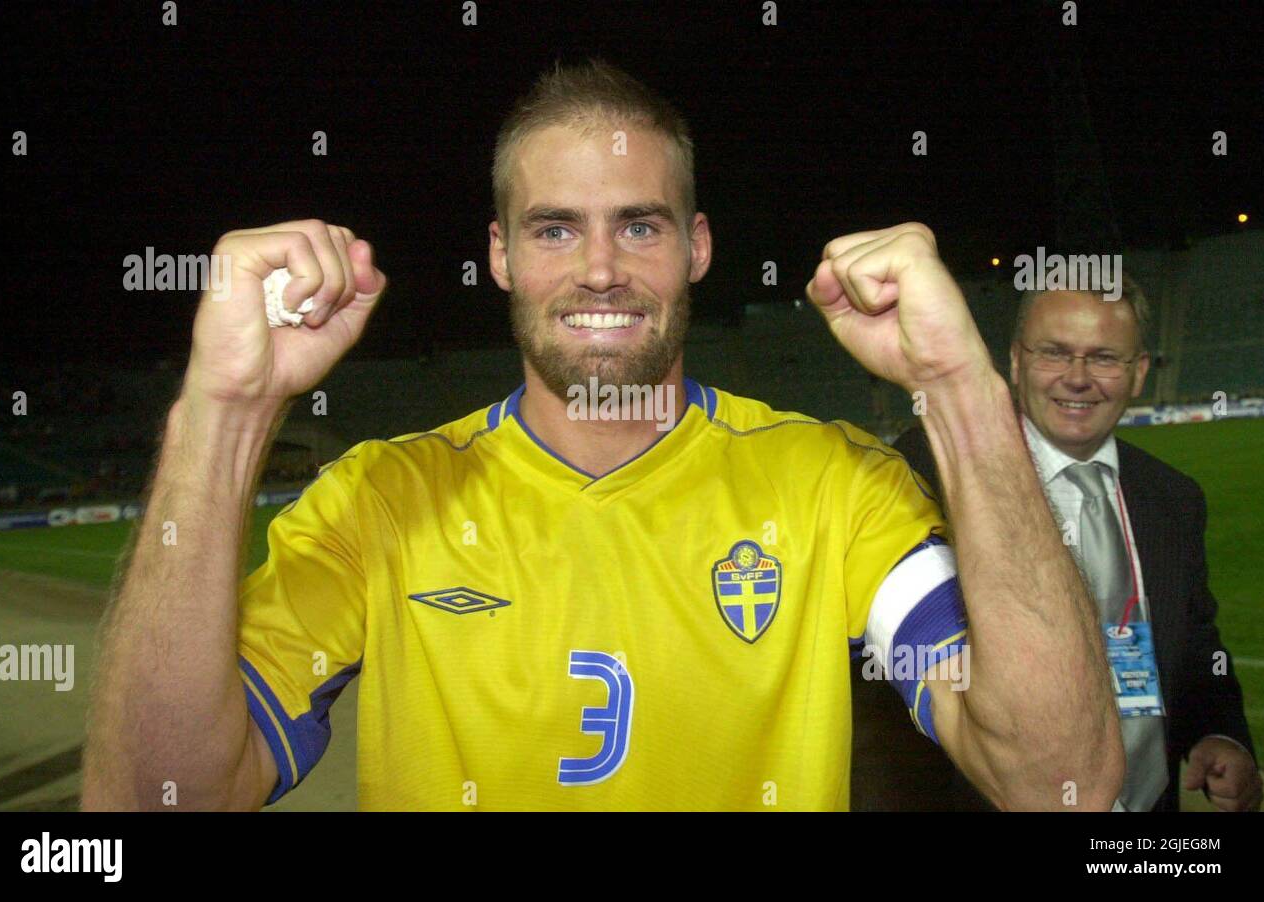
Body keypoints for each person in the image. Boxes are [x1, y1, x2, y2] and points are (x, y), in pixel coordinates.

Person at [81, 60, 1123, 811]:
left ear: (697, 246)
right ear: (497, 254)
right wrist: (222, 411)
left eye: (638, 223)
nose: (598, 269)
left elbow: (1056, 780)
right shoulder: (377, 501)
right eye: (552, 228)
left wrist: (963, 388)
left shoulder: (829, 486)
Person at [888, 279, 1262, 812]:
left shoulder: (1174, 498)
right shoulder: (925, 477)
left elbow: (1197, 645)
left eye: (1104, 357)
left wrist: (1222, 734)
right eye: (1055, 353)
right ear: (1016, 362)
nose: (1078, 378)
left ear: (1138, 374)